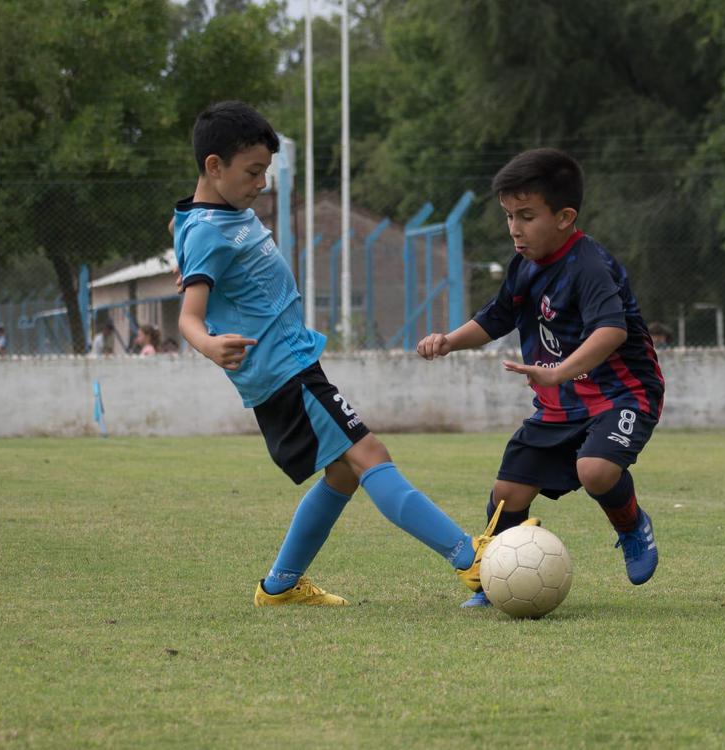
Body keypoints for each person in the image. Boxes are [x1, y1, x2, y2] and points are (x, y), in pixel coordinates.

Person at [173, 100, 514, 607]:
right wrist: (209, 343)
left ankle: (281, 586)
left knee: (342, 473)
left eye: (265, 170)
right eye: (252, 172)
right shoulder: (207, 231)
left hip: (294, 363)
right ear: (214, 167)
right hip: (284, 371)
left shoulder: (218, 215)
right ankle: (471, 559)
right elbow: (188, 317)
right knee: (370, 455)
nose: (261, 183)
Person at [417, 147, 665, 607]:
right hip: (560, 404)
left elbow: (612, 330)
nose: (514, 228)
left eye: (527, 216)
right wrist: (449, 340)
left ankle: (632, 525)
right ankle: (497, 578)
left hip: (621, 395)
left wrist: (558, 372)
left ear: (565, 216)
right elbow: (496, 319)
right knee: (507, 494)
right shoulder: (524, 267)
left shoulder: (590, 265)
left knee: (594, 470)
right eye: (509, 215)